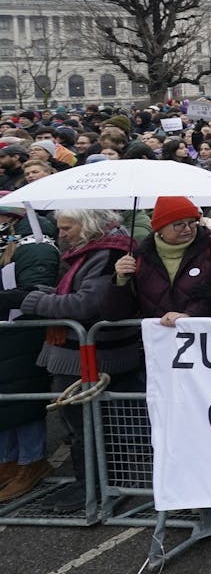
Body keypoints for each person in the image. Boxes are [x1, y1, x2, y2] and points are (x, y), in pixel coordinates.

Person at [6, 209, 135, 511]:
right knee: (85, 424)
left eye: (67, 227)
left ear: (89, 226)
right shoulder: (92, 252)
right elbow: (78, 293)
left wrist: (27, 300)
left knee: (86, 425)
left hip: (89, 352)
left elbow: (86, 303)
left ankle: (95, 487)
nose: (60, 233)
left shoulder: (105, 254)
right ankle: (93, 484)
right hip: (81, 350)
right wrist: (40, 292)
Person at [0, 200, 58, 502]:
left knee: (21, 397)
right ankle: (10, 460)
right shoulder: (16, 247)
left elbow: (37, 288)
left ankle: (30, 461)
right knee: (8, 401)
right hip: (11, 335)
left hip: (20, 336)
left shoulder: (35, 245)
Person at [116, 196, 211, 326]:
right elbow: (116, 312)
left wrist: (189, 315)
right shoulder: (141, 254)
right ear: (160, 228)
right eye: (179, 224)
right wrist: (120, 279)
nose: (188, 229)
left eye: (192, 222)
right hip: (157, 338)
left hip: (206, 334)